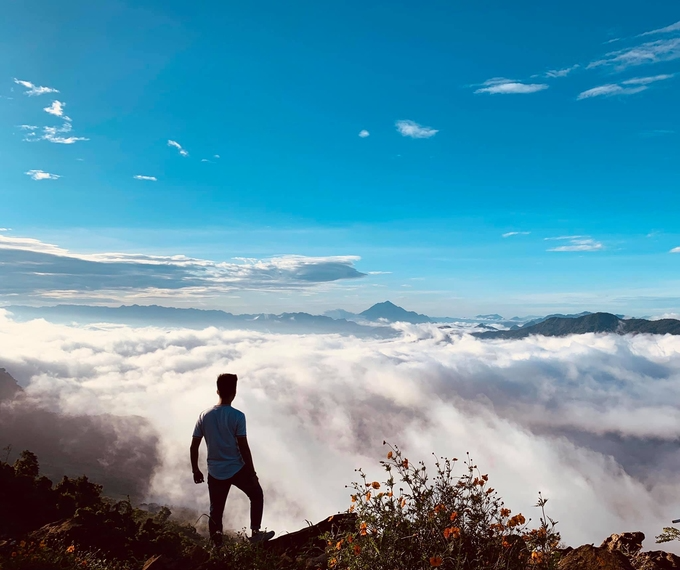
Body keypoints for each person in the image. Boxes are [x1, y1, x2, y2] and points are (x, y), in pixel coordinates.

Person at [190, 373, 275, 546]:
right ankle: (255, 533)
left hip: (215, 471)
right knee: (256, 494)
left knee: (216, 512)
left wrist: (195, 470)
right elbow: (243, 447)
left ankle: (216, 548)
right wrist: (252, 472)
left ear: (217, 391)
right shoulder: (237, 416)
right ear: (234, 392)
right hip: (237, 468)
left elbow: (194, 446)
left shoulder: (204, 416)